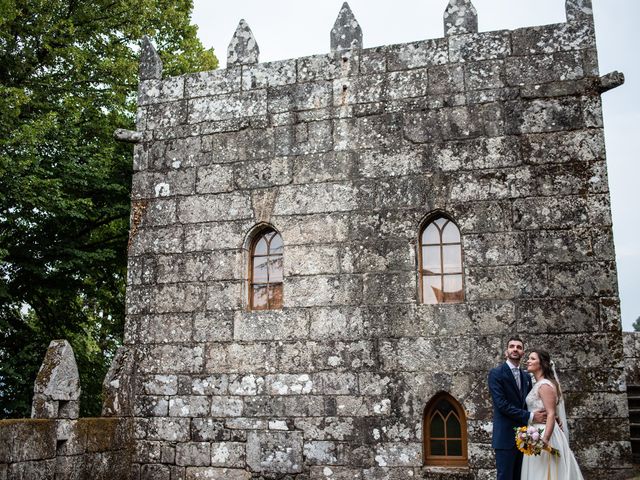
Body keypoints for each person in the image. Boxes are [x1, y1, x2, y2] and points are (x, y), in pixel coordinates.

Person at [489, 336, 547, 480]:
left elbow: (530, 403)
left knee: (521, 477)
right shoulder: (496, 374)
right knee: (505, 477)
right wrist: (531, 417)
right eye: (512, 346)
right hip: (505, 437)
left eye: (519, 347)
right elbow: (501, 405)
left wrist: (550, 415)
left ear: (522, 353)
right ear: (506, 352)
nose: (515, 349)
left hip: (525, 437)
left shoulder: (526, 376)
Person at [521, 350, 584, 480]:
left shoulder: (544, 385)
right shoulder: (538, 384)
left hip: (544, 434)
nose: (528, 361)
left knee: (544, 473)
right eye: (528, 358)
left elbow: (550, 413)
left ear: (542, 364)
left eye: (532, 359)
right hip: (534, 432)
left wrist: (545, 439)